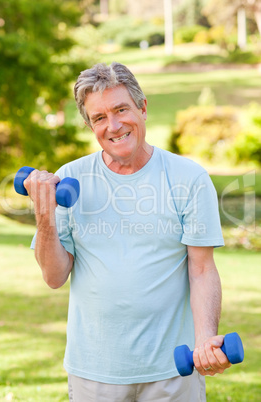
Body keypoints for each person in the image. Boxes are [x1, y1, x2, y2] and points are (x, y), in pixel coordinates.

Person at [26, 62, 231, 401]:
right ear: (91, 125)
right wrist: (45, 215)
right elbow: (54, 276)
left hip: (172, 370)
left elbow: (202, 269)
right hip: (94, 371)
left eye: (121, 109)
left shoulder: (188, 178)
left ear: (143, 108)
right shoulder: (70, 178)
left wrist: (206, 339)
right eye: (99, 117)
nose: (114, 126)